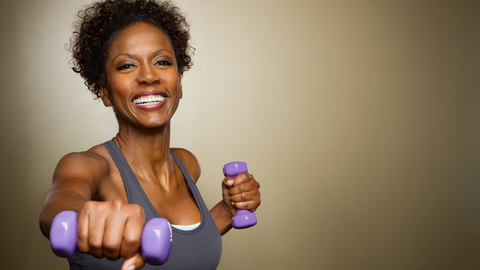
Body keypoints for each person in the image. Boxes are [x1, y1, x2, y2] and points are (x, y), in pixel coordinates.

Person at [39, 0, 261, 269]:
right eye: (126, 66)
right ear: (105, 91)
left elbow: (179, 247)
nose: (148, 76)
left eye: (162, 62)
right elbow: (57, 206)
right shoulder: (88, 166)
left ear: (178, 84)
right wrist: (83, 217)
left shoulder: (187, 165)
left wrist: (227, 211)